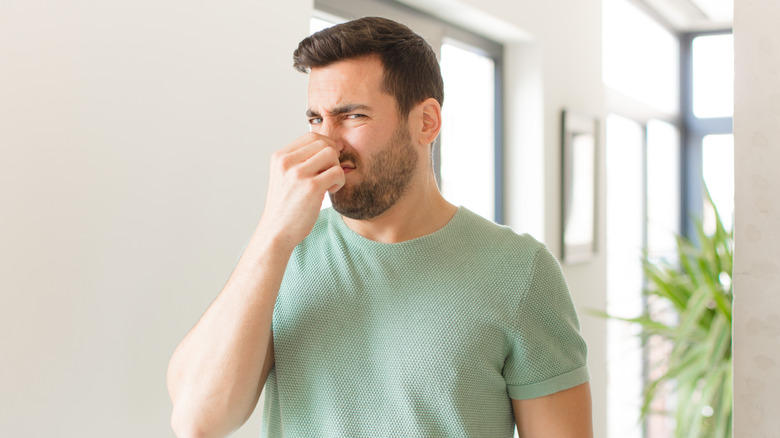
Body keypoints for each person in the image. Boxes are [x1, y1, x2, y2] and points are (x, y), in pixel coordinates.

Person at [167, 16, 592, 438]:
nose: (326, 143)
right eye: (316, 119)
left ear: (426, 122)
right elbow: (196, 421)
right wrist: (273, 233)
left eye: (351, 116)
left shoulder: (520, 270)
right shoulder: (281, 250)